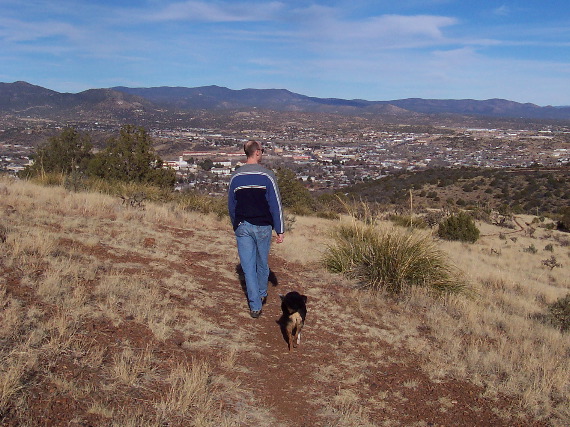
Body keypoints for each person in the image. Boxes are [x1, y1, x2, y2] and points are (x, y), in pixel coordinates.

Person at [228, 140, 285, 318]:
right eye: (262, 150)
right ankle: (260, 293)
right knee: (262, 263)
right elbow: (275, 204)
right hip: (263, 226)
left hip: (243, 226)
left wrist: (235, 224)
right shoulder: (267, 176)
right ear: (257, 153)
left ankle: (255, 304)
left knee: (247, 266)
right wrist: (280, 229)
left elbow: (231, 205)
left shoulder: (236, 176)